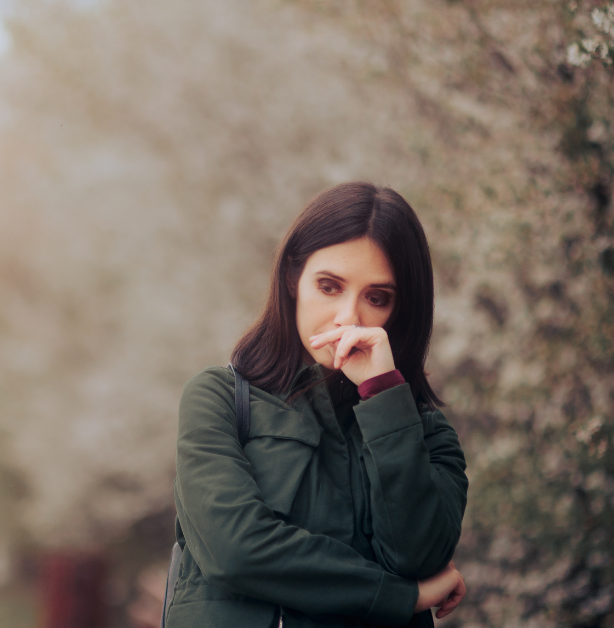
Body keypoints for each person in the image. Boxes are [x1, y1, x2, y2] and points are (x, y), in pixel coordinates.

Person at [168, 182, 468, 628]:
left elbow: (418, 555)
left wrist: (385, 396)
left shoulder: (424, 434)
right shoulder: (218, 401)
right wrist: (400, 597)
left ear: (400, 312)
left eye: (377, 297)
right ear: (293, 280)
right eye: (329, 286)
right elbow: (236, 551)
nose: (349, 316)